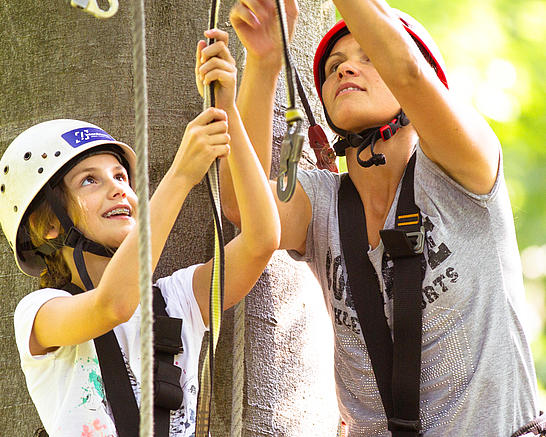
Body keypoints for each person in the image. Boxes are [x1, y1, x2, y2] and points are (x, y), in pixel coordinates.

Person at [225, 0, 541, 435]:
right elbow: (243, 205)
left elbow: (408, 70)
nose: (345, 70)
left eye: (368, 57)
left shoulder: (464, 170)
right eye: (335, 65)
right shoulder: (326, 205)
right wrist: (263, 64)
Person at [0, 28, 279, 437]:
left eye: (120, 175)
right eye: (89, 181)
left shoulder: (178, 299)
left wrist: (228, 114)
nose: (117, 187)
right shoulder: (41, 313)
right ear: (48, 224)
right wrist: (180, 176)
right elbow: (111, 305)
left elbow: (261, 239)